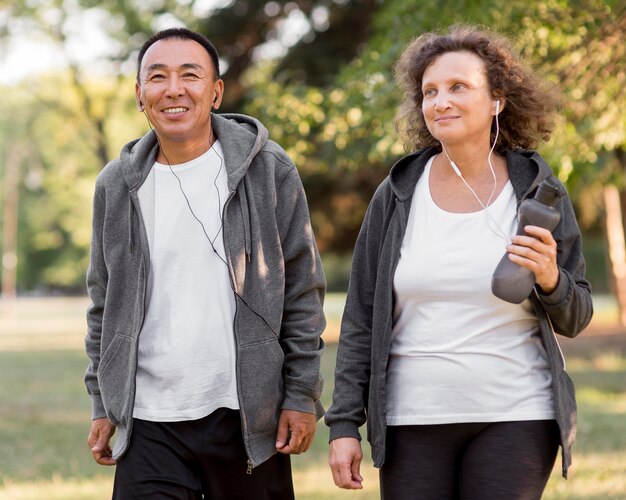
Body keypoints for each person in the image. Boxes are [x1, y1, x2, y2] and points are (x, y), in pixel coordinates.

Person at [325, 25, 593, 499]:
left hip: (517, 413)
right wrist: (344, 424)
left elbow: (577, 317)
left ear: (497, 101)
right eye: (430, 91)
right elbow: (361, 318)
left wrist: (552, 279)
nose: (440, 102)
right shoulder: (397, 193)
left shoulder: (539, 191)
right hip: (412, 419)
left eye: (458, 87)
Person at [84, 27, 326, 499]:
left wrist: (300, 394)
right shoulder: (117, 184)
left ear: (215, 92)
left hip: (245, 414)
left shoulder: (268, 169)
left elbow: (302, 289)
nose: (173, 89)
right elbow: (102, 300)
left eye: (189, 75)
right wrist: (101, 400)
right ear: (139, 95)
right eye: (157, 77)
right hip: (150, 419)